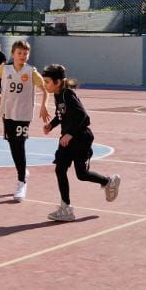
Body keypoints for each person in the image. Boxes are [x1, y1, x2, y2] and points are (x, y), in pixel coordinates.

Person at [40, 63, 120, 222]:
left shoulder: (68, 94)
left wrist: (70, 133)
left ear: (57, 82)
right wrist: (52, 125)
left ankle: (108, 181)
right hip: (67, 139)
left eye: (47, 81)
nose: (45, 84)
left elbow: (82, 116)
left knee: (81, 174)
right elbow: (61, 114)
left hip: (81, 138)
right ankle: (66, 208)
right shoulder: (58, 95)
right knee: (60, 170)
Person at [0, 41, 50, 202]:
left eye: (25, 54)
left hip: (23, 115)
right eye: (19, 53)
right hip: (7, 113)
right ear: (13, 54)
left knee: (19, 145)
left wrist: (44, 106)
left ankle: (21, 181)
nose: (23, 56)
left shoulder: (31, 72)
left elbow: (45, 90)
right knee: (13, 146)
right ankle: (23, 171)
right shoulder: (4, 69)